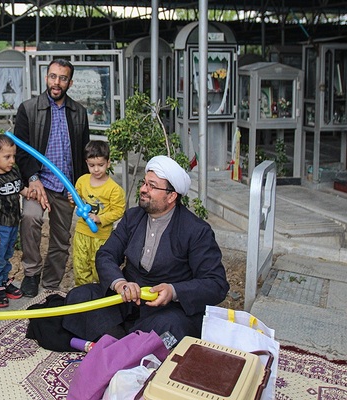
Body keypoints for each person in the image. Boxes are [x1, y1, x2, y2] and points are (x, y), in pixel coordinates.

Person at [62, 155, 229, 343]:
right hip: (125, 301)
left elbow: (216, 284)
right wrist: (120, 284)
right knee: (80, 296)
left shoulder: (196, 230)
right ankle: (128, 345)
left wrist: (173, 291)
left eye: (152, 186)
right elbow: (106, 254)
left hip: (165, 310)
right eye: (144, 183)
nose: (143, 189)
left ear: (171, 196)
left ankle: (116, 342)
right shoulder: (133, 217)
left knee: (172, 326)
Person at [14, 58, 90, 297]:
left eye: (63, 78)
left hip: (66, 186)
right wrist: (32, 178)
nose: (57, 82)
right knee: (30, 218)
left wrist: (80, 187)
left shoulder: (79, 112)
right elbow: (21, 152)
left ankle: (50, 283)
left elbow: (84, 153)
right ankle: (31, 273)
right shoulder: (28, 109)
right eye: (53, 76)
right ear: (46, 78)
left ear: (70, 82)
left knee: (61, 237)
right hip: (38, 183)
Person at [0, 135, 50, 308]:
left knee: (7, 255)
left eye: (13, 156)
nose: (12, 160)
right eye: (7, 157)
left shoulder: (14, 173)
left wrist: (33, 195)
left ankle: (4, 281)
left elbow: (21, 189)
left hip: (12, 225)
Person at [69, 140, 125, 286]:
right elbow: (76, 201)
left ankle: (100, 293)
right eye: (91, 165)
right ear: (86, 163)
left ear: (108, 163)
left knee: (99, 268)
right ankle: (82, 292)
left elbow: (118, 211)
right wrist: (72, 200)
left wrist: (100, 218)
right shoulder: (82, 181)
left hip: (102, 237)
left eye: (100, 165)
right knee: (80, 265)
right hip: (82, 232)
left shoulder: (114, 189)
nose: (96, 169)